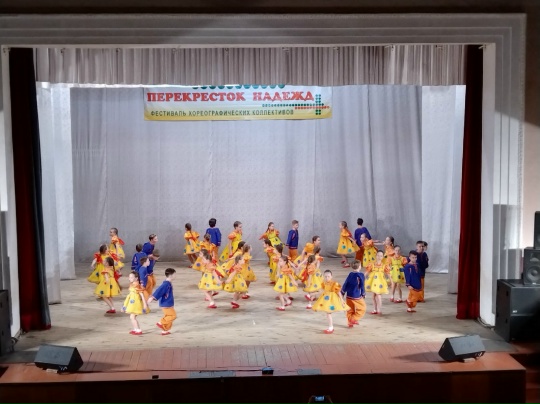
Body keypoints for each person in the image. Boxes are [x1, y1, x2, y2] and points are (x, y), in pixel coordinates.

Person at [312, 270, 348, 334]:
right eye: (325, 276)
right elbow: (322, 291)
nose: (327, 278)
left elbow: (338, 292)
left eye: (328, 276)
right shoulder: (324, 283)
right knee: (328, 313)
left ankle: (349, 320)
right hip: (326, 300)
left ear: (331, 276)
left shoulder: (334, 283)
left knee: (344, 309)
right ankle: (330, 327)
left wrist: (342, 300)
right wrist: (314, 294)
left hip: (333, 299)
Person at [147, 268, 177, 335]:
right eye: (175, 274)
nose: (175, 276)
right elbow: (159, 291)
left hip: (167, 302)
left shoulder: (167, 283)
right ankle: (161, 322)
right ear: (171, 275)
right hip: (166, 303)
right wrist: (152, 297)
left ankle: (165, 330)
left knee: (168, 316)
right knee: (172, 316)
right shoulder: (166, 284)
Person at [364, 250, 391, 315]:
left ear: (383, 257)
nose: (379, 257)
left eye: (381, 256)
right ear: (376, 256)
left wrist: (391, 281)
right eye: (378, 255)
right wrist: (361, 278)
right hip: (373, 282)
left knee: (378, 295)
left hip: (380, 282)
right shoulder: (372, 264)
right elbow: (366, 272)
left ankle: (379, 309)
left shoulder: (384, 265)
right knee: (373, 296)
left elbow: (388, 274)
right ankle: (375, 309)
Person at [341, 260, 366, 327]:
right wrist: (363, 293)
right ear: (359, 266)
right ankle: (354, 319)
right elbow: (362, 285)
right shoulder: (361, 275)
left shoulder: (350, 274)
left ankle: (350, 322)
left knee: (349, 309)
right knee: (362, 308)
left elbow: (346, 283)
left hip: (349, 295)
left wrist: (342, 292)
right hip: (356, 295)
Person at [122, 271, 149, 335]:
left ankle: (138, 330)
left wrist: (145, 305)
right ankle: (135, 329)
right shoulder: (132, 285)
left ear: (136, 278)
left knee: (132, 317)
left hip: (136, 304)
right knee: (132, 317)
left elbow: (142, 295)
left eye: (131, 277)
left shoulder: (137, 286)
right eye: (129, 277)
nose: (130, 278)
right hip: (133, 303)